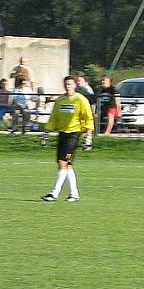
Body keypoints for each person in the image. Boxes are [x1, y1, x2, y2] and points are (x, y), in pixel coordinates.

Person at [41, 75, 94, 203]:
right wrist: (47, 131)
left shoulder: (80, 100)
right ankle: (74, 194)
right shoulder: (60, 100)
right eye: (66, 84)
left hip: (74, 135)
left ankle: (54, 193)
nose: (67, 86)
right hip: (62, 134)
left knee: (63, 162)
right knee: (67, 164)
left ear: (75, 85)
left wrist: (88, 136)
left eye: (70, 84)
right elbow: (54, 117)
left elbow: (88, 118)